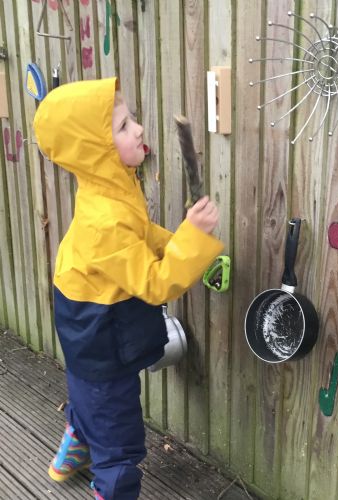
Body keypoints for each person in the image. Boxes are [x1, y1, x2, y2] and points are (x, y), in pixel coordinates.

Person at [33, 77, 223, 499]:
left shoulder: (111, 187)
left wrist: (180, 241)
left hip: (85, 321)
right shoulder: (106, 218)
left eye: (131, 118)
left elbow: (140, 234)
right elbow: (156, 283)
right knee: (118, 439)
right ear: (95, 151)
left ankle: (77, 444)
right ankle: (106, 476)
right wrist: (194, 240)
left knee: (90, 389)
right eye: (122, 126)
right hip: (99, 326)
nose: (138, 129)